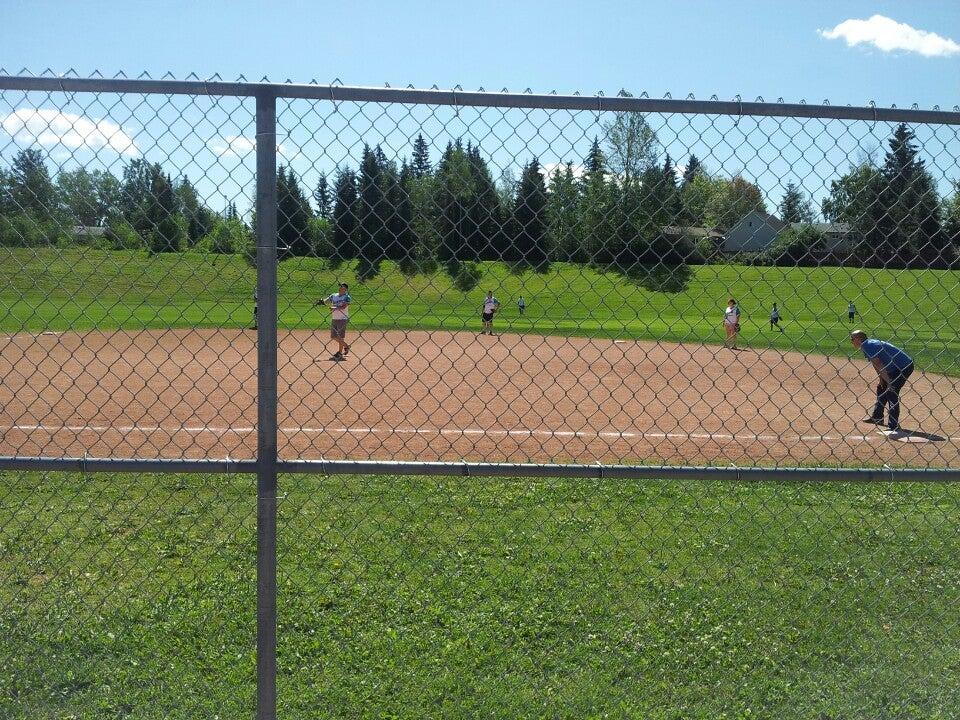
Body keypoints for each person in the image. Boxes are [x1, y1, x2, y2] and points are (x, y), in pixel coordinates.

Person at [850, 330, 914, 432]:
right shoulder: (867, 345)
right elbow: (876, 364)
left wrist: (889, 382)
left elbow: (879, 364)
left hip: (903, 367)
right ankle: (877, 417)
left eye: (852, 339)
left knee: (891, 392)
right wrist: (882, 380)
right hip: (894, 367)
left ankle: (894, 425)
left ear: (858, 339)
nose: (851, 341)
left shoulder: (868, 346)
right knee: (882, 388)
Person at [316, 282, 352, 361]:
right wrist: (320, 302)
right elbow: (326, 301)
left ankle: (339, 353)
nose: (340, 288)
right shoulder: (334, 295)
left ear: (345, 289)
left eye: (342, 287)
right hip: (334, 318)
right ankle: (347, 346)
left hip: (343, 319)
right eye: (340, 287)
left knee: (340, 337)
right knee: (333, 336)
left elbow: (344, 306)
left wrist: (334, 308)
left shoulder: (347, 297)